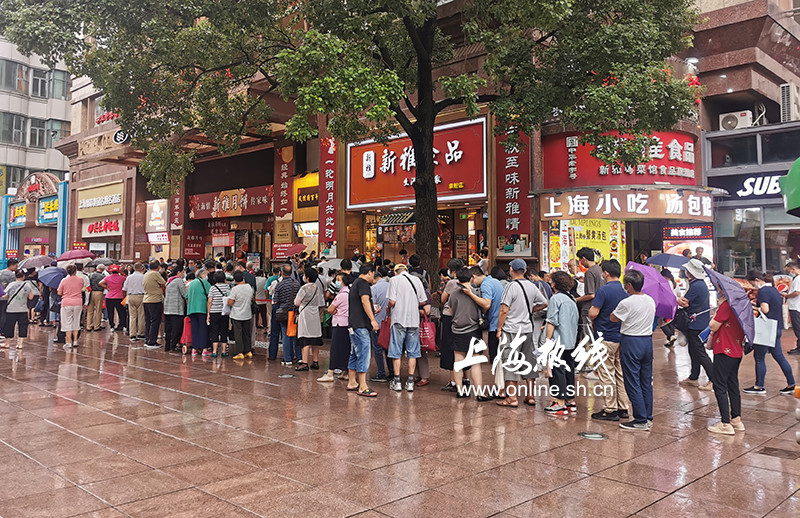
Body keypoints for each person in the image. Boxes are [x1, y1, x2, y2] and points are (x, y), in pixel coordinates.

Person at [496, 259, 548, 408]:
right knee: (529, 361)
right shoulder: (532, 286)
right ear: (525, 271)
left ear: (511, 270)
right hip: (528, 329)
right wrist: (531, 310)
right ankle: (530, 396)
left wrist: (499, 328)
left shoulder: (510, 286)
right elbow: (544, 303)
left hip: (512, 330)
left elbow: (504, 309)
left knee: (510, 361)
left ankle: (512, 398)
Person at [610, 269, 656, 431]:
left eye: (625, 284)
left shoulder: (627, 302)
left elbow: (614, 317)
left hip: (631, 341)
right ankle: (647, 416)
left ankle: (640, 419)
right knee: (646, 381)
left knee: (632, 381)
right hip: (647, 341)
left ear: (629, 285)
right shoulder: (650, 300)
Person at [589, 259, 630, 422]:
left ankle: (610, 408)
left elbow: (593, 313)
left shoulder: (603, 291)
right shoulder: (626, 290)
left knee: (607, 374)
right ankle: (623, 407)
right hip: (622, 337)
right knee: (620, 374)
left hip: (605, 337)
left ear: (605, 273)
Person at [743, 271, 795, 395]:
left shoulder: (763, 291)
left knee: (759, 357)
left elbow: (765, 310)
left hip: (766, 329)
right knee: (779, 356)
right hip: (776, 327)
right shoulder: (773, 290)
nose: (751, 285)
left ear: (756, 280)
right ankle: (791, 383)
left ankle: (759, 386)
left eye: (751, 282)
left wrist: (752, 307)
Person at [705, 284, 746, 435]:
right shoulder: (740, 306)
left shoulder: (727, 306)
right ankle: (736, 419)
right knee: (732, 384)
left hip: (724, 349)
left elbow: (713, 326)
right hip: (736, 350)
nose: (718, 293)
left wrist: (718, 309)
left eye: (720, 290)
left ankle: (725, 423)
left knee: (720, 385)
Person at [450, 267, 492, 400]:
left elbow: (451, 311)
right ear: (471, 278)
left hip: (457, 329)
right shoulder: (477, 292)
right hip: (473, 329)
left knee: (458, 360)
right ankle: (479, 393)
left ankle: (460, 390)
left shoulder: (453, 293)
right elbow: (484, 308)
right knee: (475, 362)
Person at [386, 263, 428, 392]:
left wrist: (388, 307)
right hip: (414, 320)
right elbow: (423, 301)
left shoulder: (394, 280)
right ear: (407, 270)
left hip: (398, 319)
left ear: (395, 272)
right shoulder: (416, 280)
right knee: (413, 352)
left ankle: (397, 381)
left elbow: (392, 301)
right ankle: (410, 382)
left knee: (396, 352)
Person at [542, 271, 579, 415]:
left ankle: (559, 402)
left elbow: (551, 321)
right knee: (569, 370)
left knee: (557, 371)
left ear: (555, 283)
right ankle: (570, 401)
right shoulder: (571, 299)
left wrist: (547, 341)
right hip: (570, 340)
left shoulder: (555, 299)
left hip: (557, 341)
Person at [678, 259, 713, 390]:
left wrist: (676, 299)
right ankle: (693, 377)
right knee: (693, 351)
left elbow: (685, 302)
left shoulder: (696, 285)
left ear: (690, 272)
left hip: (695, 323)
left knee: (699, 352)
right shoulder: (700, 284)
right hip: (699, 322)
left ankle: (713, 379)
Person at [348, 263, 379, 397]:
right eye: (374, 274)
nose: (374, 277)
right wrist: (372, 319)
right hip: (361, 325)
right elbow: (365, 301)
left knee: (354, 352)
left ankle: (352, 382)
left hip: (353, 324)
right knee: (364, 353)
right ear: (370, 272)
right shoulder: (364, 284)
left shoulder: (355, 283)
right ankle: (363, 386)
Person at [318, 272, 351, 382]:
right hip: (346, 324)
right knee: (345, 348)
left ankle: (330, 372)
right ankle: (345, 371)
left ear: (343, 282)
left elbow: (331, 309)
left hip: (338, 324)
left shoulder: (341, 295)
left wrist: (334, 310)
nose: (336, 282)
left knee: (335, 349)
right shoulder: (349, 293)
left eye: (338, 280)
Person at [439, 258, 465, 391]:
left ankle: (453, 380)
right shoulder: (467, 281)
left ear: (452, 270)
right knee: (461, 348)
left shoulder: (451, 283)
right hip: (463, 317)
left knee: (449, 347)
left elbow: (443, 299)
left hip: (449, 316)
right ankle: (464, 378)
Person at [471, 266, 503, 363]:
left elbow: (487, 304)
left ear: (474, 276)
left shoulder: (486, 285)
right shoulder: (494, 281)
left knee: (494, 358)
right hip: (500, 321)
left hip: (495, 323)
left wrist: (471, 294)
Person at [294, 268, 324, 371]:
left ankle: (304, 362)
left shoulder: (304, 288)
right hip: (315, 313)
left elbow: (296, 302)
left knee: (305, 338)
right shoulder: (317, 287)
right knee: (315, 338)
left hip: (305, 313)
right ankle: (315, 362)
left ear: (307, 277)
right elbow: (320, 301)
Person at [576, 247, 605, 343]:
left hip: (589, 307)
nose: (581, 263)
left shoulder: (589, 272)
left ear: (584, 258)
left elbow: (591, 294)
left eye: (580, 260)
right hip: (600, 307)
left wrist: (576, 299)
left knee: (589, 336)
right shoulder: (600, 270)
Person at [272, 264, 300, 365]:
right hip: (295, 312)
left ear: (282, 273)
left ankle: (287, 358)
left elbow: (275, 301)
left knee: (285, 335)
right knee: (296, 334)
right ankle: (299, 357)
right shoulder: (297, 284)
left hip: (284, 312)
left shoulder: (280, 285)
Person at [2, 270, 35, 350]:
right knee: (23, 326)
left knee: (9, 326)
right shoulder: (27, 285)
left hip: (11, 309)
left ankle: (7, 343)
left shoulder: (11, 284)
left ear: (15, 276)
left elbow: (4, 295)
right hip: (23, 309)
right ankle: (20, 344)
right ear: (23, 276)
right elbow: (31, 297)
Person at [370, 266, 393, 382]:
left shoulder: (374, 288)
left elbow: (372, 306)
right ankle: (393, 372)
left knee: (378, 349)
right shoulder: (391, 286)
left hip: (378, 322)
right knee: (389, 348)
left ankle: (381, 373)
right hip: (390, 322)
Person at [228, 270, 254, 360]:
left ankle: (239, 352)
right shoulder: (249, 287)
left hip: (237, 314)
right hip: (247, 313)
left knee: (238, 334)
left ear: (235, 280)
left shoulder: (235, 289)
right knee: (247, 333)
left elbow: (230, 302)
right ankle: (248, 351)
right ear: (243, 278)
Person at [58, 265, 84, 350]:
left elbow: (59, 292)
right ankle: (75, 340)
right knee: (76, 321)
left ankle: (69, 342)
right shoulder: (81, 280)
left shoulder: (64, 280)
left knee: (67, 322)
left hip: (66, 302)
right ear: (75, 271)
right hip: (78, 302)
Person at [186, 268, 211, 355]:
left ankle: (194, 349)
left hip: (191, 309)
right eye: (205, 274)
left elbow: (186, 296)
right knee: (203, 328)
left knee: (194, 329)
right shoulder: (205, 283)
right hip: (202, 308)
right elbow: (210, 294)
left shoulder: (191, 283)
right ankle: (204, 349)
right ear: (202, 275)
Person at [142, 260, 166, 348]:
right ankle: (152, 341)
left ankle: (147, 339)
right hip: (155, 300)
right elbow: (164, 283)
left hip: (146, 299)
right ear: (158, 267)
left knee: (148, 321)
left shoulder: (146, 274)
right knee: (155, 321)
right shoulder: (155, 274)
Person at [163, 266, 187, 353]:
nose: (183, 274)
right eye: (182, 272)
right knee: (176, 328)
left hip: (167, 308)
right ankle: (173, 346)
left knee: (168, 329)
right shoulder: (179, 281)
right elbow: (184, 294)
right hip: (176, 309)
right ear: (178, 272)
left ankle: (167, 346)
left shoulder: (169, 281)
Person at [206, 271, 230, 358]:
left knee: (214, 331)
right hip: (224, 312)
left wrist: (208, 313)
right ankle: (223, 351)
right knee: (224, 331)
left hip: (214, 312)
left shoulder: (212, 288)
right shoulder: (227, 287)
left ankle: (215, 351)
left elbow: (209, 301)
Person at [123, 262, 146, 340]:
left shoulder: (129, 277)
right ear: (141, 268)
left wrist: (124, 298)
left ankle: (132, 334)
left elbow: (124, 289)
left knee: (132, 316)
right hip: (141, 296)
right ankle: (141, 333)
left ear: (134, 268)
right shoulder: (143, 277)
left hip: (131, 296)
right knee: (141, 316)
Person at [100, 265, 127, 332]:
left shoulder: (108, 277)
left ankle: (112, 326)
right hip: (119, 297)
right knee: (121, 312)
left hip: (109, 297)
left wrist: (107, 288)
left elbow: (100, 283)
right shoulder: (121, 278)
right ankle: (123, 325)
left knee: (110, 312)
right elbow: (126, 280)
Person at [784, 262, 800, 355]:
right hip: (796, 305)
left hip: (796, 306)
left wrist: (787, 296)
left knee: (797, 328)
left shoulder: (798, 279)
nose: (789, 273)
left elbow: (797, 292)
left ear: (793, 269)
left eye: (789, 270)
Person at [659, 268, 678, 347]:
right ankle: (671, 340)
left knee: (661, 322)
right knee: (670, 322)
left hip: (666, 304)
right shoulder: (673, 282)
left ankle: (670, 336)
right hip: (673, 303)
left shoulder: (665, 282)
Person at [87, 264, 107, 331]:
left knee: (90, 310)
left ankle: (89, 326)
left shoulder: (91, 275)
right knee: (98, 310)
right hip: (99, 293)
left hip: (91, 292)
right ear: (103, 269)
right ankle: (97, 326)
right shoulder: (103, 276)